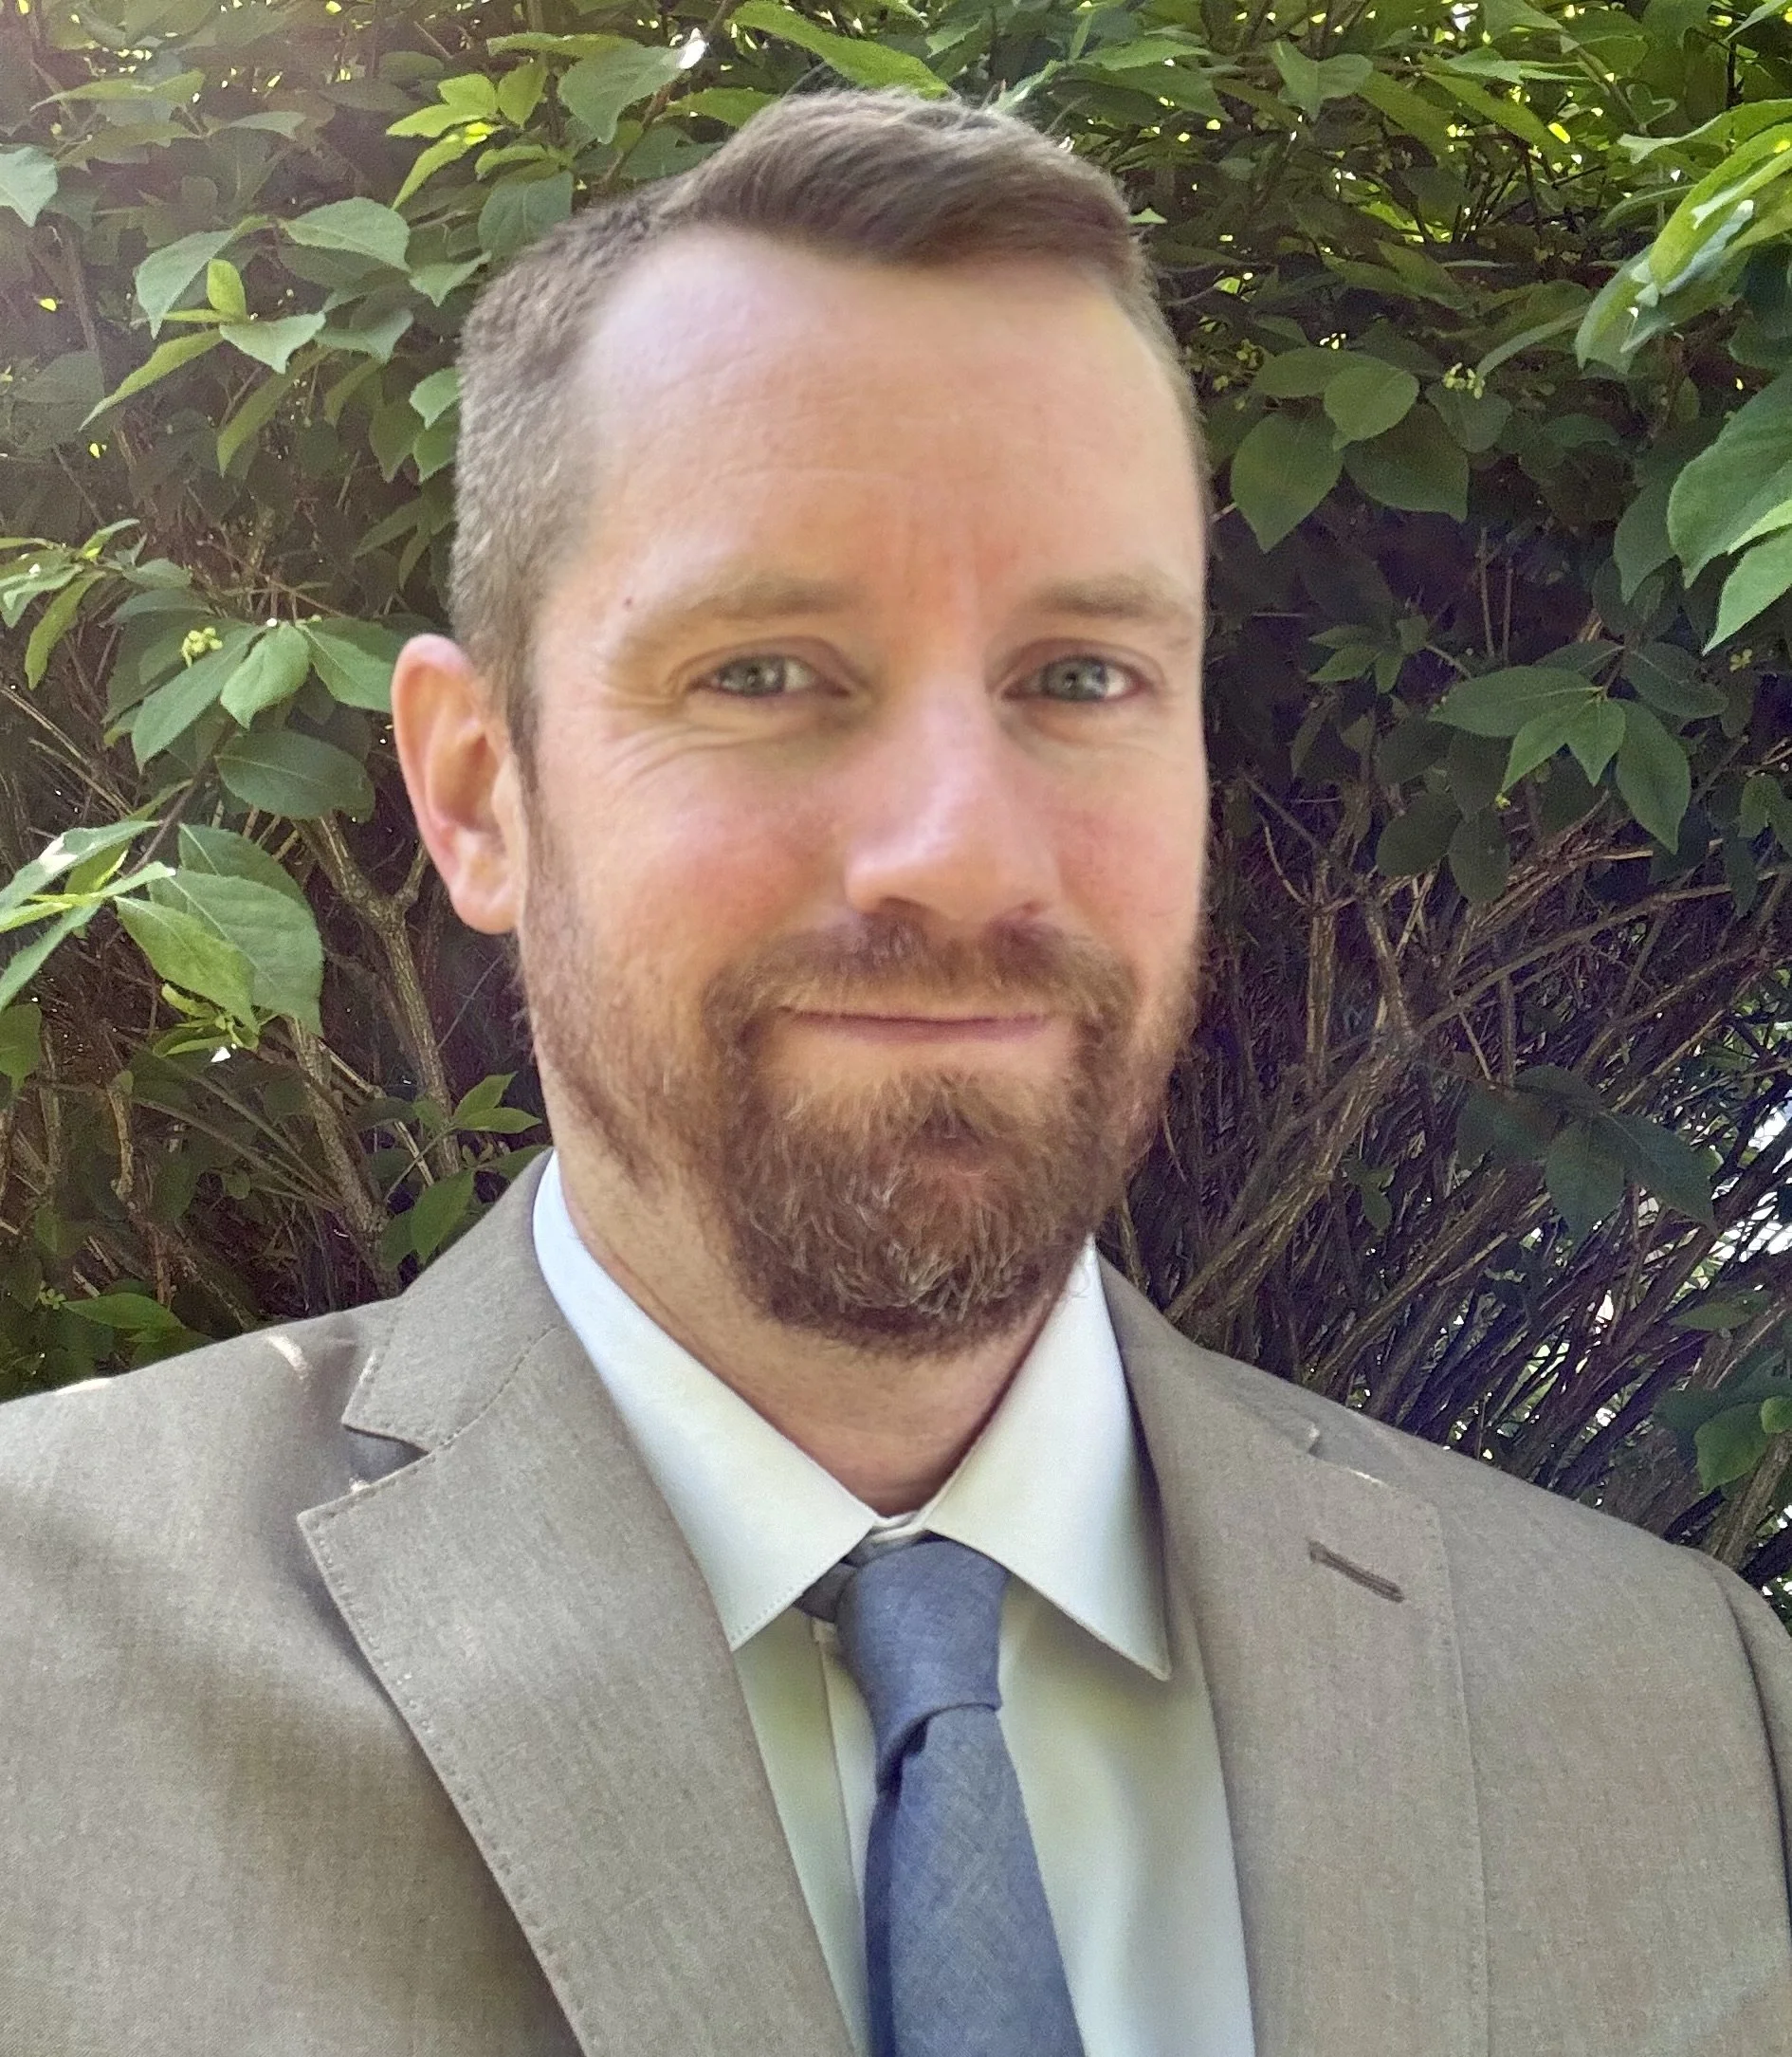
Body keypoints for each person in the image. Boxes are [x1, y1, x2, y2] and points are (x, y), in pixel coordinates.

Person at [2, 88, 1788, 2057]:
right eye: (764, 671)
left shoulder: (1690, 1718)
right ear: (475, 789)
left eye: (1081, 677)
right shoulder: (36, 1658)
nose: (959, 850)